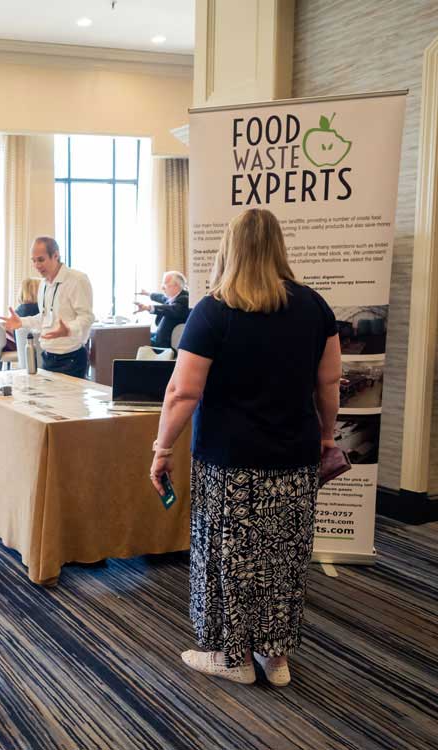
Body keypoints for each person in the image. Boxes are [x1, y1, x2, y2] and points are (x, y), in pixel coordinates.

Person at [149, 208, 340, 687]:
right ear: (278, 247)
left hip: (229, 460)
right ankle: (275, 659)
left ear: (229, 248)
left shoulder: (213, 310)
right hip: (293, 458)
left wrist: (161, 448)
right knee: (282, 556)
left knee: (229, 554)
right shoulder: (314, 307)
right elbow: (330, 382)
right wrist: (326, 437)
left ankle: (231, 657)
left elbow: (182, 392)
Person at [0, 237, 94, 379]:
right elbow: (44, 317)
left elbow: (87, 317)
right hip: (48, 356)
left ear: (55, 255)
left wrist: (68, 329)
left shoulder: (77, 279)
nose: (37, 265)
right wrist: (22, 322)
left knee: (66, 401)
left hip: (71, 358)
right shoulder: (43, 284)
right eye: (34, 260)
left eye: (41, 260)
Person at [135, 271, 190, 348]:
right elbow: (161, 297)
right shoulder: (174, 298)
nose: (162, 287)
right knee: (136, 334)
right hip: (159, 338)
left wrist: (148, 308)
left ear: (176, 286)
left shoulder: (185, 299)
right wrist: (148, 294)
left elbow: (171, 309)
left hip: (165, 347)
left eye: (165, 284)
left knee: (134, 342)